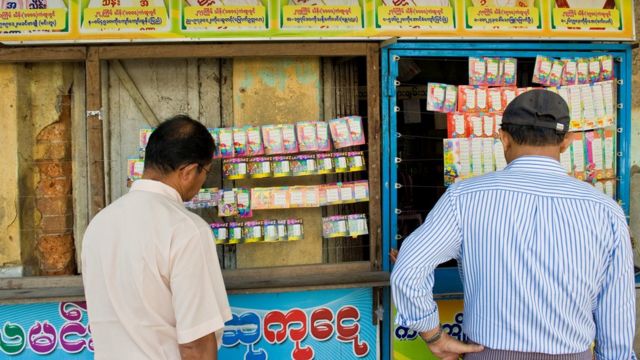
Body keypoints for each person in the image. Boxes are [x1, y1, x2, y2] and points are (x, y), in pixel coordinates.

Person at [391, 90, 636, 359]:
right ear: (567, 141)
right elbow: (617, 310)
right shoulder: (606, 211)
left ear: (503, 138)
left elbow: (408, 269)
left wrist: (434, 335)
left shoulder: (465, 198)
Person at [82, 115, 231, 360]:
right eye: (205, 171)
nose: (203, 180)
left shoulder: (99, 225)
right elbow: (195, 345)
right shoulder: (186, 229)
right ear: (189, 171)